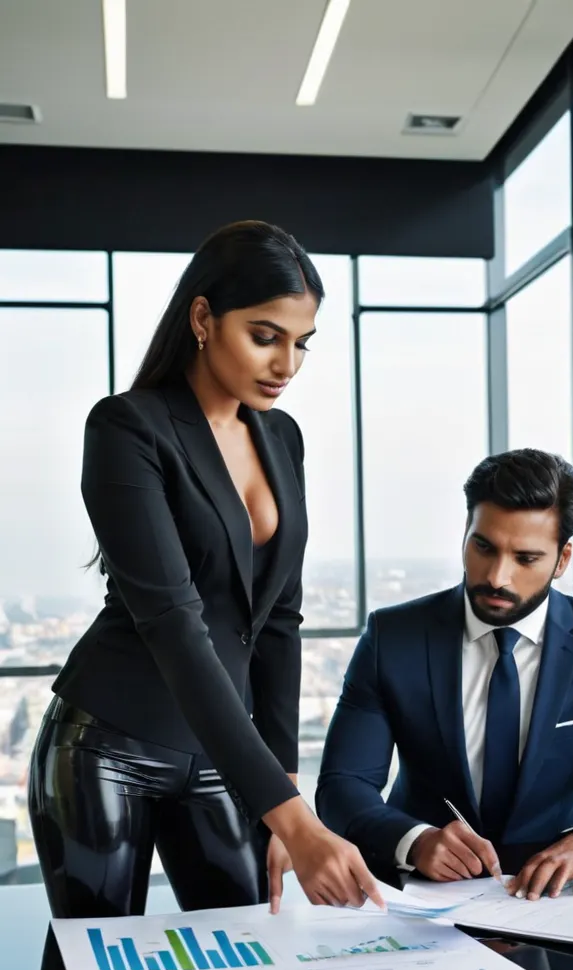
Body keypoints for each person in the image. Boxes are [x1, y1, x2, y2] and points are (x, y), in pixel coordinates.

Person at [28, 219, 382, 925]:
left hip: (224, 755)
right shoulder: (127, 428)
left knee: (249, 955)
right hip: (109, 748)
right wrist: (294, 822)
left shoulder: (281, 437)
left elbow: (279, 618)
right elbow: (174, 626)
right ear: (202, 318)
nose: (287, 364)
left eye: (301, 343)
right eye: (264, 335)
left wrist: (282, 779)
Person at [316, 449, 573, 897]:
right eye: (483, 547)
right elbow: (342, 786)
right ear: (465, 535)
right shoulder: (393, 637)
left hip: (559, 899)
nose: (497, 577)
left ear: (562, 559)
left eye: (526, 559)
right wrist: (414, 841)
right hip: (424, 895)